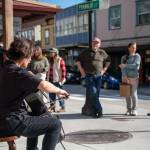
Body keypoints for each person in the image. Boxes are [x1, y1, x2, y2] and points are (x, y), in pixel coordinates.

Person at [0, 38, 69, 150]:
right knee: (55, 124)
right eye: (30, 56)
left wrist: (29, 76)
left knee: (35, 116)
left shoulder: (5, 68)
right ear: (24, 56)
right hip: (11, 122)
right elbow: (44, 85)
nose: (30, 59)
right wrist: (60, 90)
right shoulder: (18, 73)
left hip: (3, 120)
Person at [76, 37, 111, 118]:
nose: (95, 44)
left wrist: (104, 70)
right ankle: (100, 110)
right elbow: (77, 60)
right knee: (93, 93)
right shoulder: (86, 51)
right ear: (92, 43)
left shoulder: (102, 52)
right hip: (89, 76)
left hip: (98, 76)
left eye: (97, 42)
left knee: (96, 94)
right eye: (94, 42)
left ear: (99, 44)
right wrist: (82, 72)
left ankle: (95, 112)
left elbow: (108, 60)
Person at [119, 42, 141, 116]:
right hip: (125, 78)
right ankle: (128, 110)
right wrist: (125, 76)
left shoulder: (137, 56)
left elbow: (136, 66)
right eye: (132, 47)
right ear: (128, 48)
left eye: (135, 47)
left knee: (133, 94)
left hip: (134, 77)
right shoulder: (124, 57)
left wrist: (125, 65)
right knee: (127, 94)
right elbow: (122, 68)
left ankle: (134, 110)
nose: (134, 49)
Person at [48, 48, 66, 112]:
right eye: (50, 52)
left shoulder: (60, 60)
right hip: (50, 79)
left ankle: (63, 107)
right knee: (51, 94)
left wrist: (62, 79)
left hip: (58, 80)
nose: (50, 54)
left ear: (55, 53)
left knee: (59, 94)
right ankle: (52, 107)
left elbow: (63, 70)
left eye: (51, 52)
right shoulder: (51, 60)